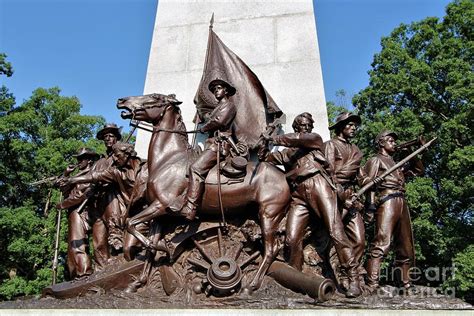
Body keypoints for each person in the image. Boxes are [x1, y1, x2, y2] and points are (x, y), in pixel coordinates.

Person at [262, 112, 361, 298]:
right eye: (302, 125)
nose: (307, 127)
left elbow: (298, 139)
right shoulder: (286, 154)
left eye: (309, 125)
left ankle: (353, 278)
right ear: (296, 126)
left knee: (336, 230)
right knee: (291, 239)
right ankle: (297, 280)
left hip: (319, 184)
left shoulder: (314, 140)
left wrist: (273, 138)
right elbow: (265, 158)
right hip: (298, 194)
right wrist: (261, 144)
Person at [61, 142, 150, 261]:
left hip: (151, 212)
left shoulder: (147, 167)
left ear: (128, 154)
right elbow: (95, 176)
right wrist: (71, 179)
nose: (114, 158)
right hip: (136, 218)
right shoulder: (116, 172)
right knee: (128, 250)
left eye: (117, 155)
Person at [359, 130, 424, 293]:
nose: (394, 143)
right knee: (382, 241)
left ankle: (406, 283)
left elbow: (419, 171)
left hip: (401, 200)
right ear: (381, 143)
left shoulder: (397, 164)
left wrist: (412, 152)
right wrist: (371, 207)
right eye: (390, 140)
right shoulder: (375, 160)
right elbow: (368, 185)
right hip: (386, 200)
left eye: (395, 141)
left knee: (406, 244)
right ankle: (372, 282)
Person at [177, 78, 237, 221]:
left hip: (220, 144)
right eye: (214, 89)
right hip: (211, 143)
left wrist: (203, 128)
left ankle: (191, 208)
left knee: (196, 168)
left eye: (219, 88)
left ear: (226, 91)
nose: (216, 91)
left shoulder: (229, 106)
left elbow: (219, 121)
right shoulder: (218, 107)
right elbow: (210, 117)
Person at [324, 112, 365, 289]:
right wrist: (341, 198)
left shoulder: (356, 150)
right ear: (341, 127)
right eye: (350, 124)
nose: (354, 128)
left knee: (359, 239)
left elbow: (359, 176)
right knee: (335, 237)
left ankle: (349, 273)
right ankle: (344, 275)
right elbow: (327, 174)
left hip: (352, 195)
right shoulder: (330, 146)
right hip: (334, 195)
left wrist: (367, 181)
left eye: (355, 125)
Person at [56, 148, 99, 279]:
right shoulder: (77, 175)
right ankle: (76, 274)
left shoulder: (91, 174)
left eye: (81, 159)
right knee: (73, 245)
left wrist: (62, 205)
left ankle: (84, 273)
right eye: (78, 159)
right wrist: (66, 174)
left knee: (78, 243)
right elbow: (63, 188)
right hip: (73, 211)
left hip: (82, 210)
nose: (78, 161)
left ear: (89, 160)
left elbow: (81, 195)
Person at [93, 123, 124, 253]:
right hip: (100, 201)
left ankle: (117, 238)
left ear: (116, 138)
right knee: (99, 239)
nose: (107, 139)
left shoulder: (122, 153)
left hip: (117, 195)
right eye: (105, 137)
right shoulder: (101, 161)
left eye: (110, 136)